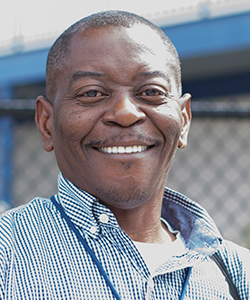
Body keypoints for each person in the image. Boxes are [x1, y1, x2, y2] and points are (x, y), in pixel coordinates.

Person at [0, 10, 249, 300]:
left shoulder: (236, 273)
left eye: (151, 92)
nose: (126, 113)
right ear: (46, 123)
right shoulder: (8, 252)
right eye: (92, 93)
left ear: (184, 120)